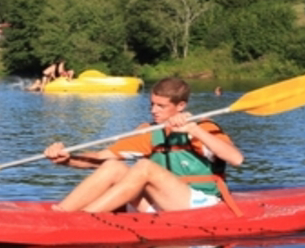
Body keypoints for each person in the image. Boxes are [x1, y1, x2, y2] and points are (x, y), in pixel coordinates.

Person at [43, 77, 243, 213]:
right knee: (113, 166)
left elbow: (236, 159)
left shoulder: (203, 128)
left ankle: (85, 218)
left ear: (180, 106)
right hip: (163, 201)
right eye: (152, 104)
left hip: (200, 202)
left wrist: (194, 130)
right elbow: (100, 157)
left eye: (161, 106)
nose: (153, 111)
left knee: (144, 167)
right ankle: (62, 213)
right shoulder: (149, 131)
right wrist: (67, 159)